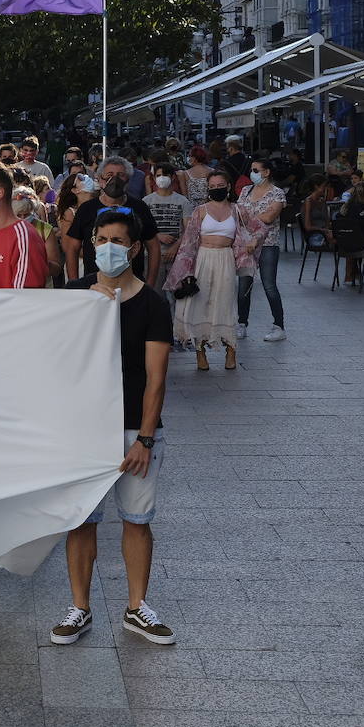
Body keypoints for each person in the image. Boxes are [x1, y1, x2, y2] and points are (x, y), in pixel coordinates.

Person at [53, 210, 174, 647]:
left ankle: (137, 606)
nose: (107, 248)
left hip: (132, 432)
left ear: (135, 248)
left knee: (136, 521)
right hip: (82, 432)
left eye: (117, 241)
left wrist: (144, 437)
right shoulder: (71, 295)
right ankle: (79, 608)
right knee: (81, 521)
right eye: (100, 238)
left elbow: (155, 379)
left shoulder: (153, 305)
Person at [165, 171, 266, 370]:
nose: (216, 188)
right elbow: (189, 241)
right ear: (208, 189)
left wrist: (253, 240)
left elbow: (261, 228)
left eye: (220, 185)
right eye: (212, 186)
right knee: (200, 304)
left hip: (226, 258)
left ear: (228, 186)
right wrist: (185, 269)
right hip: (203, 258)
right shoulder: (200, 211)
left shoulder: (239, 210)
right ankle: (200, 353)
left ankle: (230, 350)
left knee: (226, 303)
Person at [63, 157, 161, 284]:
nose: (115, 180)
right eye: (109, 175)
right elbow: (72, 248)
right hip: (94, 285)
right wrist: (74, 283)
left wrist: (150, 283)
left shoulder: (140, 207)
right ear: (99, 179)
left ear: (128, 180)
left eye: (121, 175)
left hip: (132, 284)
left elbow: (153, 247)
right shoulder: (86, 209)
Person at [235, 158, 287, 339]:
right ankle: (241, 323)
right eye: (252, 170)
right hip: (246, 245)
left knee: (269, 285)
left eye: (256, 170)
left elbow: (269, 217)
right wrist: (254, 216)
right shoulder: (245, 191)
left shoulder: (277, 193)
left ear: (267, 172)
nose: (253, 173)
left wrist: (249, 217)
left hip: (267, 245)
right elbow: (238, 215)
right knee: (243, 285)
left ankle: (279, 326)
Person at [142, 162, 193, 294]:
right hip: (152, 256)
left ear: (173, 177)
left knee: (178, 295)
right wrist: (157, 235)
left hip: (176, 256)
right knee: (155, 294)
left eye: (165, 175)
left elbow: (189, 229)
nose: (162, 178)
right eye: (158, 175)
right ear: (153, 178)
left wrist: (175, 247)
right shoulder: (146, 202)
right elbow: (141, 228)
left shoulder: (183, 201)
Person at [302, 174, 336, 249]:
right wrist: (323, 230)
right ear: (316, 187)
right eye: (324, 186)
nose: (326, 189)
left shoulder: (322, 201)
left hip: (325, 232)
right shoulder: (308, 202)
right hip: (315, 235)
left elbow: (327, 221)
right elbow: (308, 227)